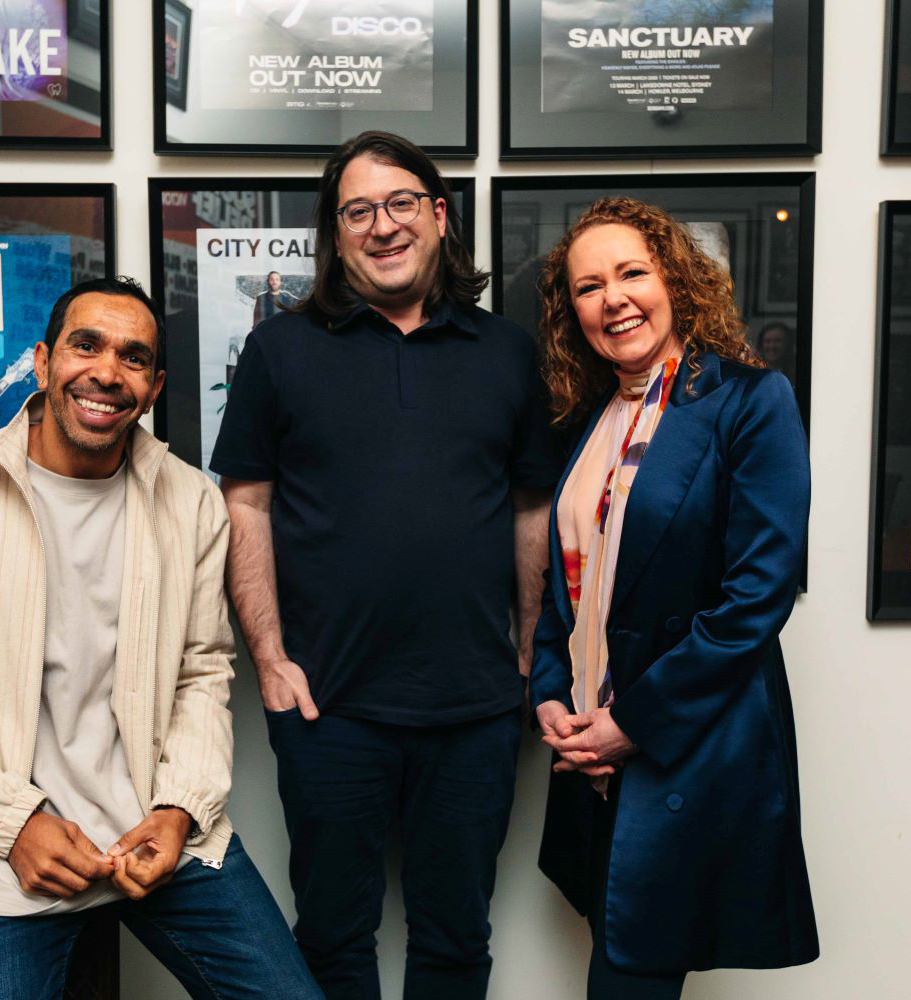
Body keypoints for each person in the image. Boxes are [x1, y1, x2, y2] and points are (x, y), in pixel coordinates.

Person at [0, 276, 322, 1000]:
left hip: (157, 834)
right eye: (86, 345)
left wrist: (180, 806)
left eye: (133, 357)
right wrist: (13, 824)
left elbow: (201, 670)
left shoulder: (191, 500)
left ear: (154, 386)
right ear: (42, 363)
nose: (106, 371)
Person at [211, 131, 562, 1000]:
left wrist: (526, 650)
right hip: (328, 705)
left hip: (475, 709)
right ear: (336, 235)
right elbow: (244, 506)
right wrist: (269, 661)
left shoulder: (506, 352)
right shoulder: (279, 352)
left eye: (401, 202)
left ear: (439, 216)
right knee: (332, 940)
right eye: (357, 211)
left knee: (455, 941)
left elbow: (530, 510)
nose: (382, 226)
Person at [528, 198, 818, 998]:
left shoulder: (750, 403)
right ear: (572, 312)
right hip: (588, 749)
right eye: (589, 286)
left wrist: (633, 723)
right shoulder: (587, 419)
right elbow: (568, 581)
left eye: (632, 273)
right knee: (621, 956)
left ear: (676, 280)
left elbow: (756, 599)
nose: (613, 298)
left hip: (682, 748)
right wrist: (548, 689)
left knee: (629, 974)